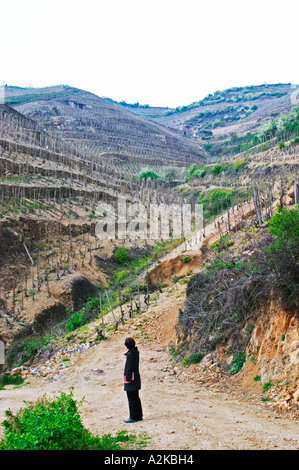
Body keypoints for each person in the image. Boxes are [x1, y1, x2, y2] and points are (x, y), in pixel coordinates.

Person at [123, 337, 143, 423]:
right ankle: (139, 415)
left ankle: (133, 416)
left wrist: (127, 379)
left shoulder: (130, 355)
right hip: (136, 378)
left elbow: (129, 368)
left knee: (131, 398)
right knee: (136, 397)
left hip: (131, 379)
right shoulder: (135, 352)